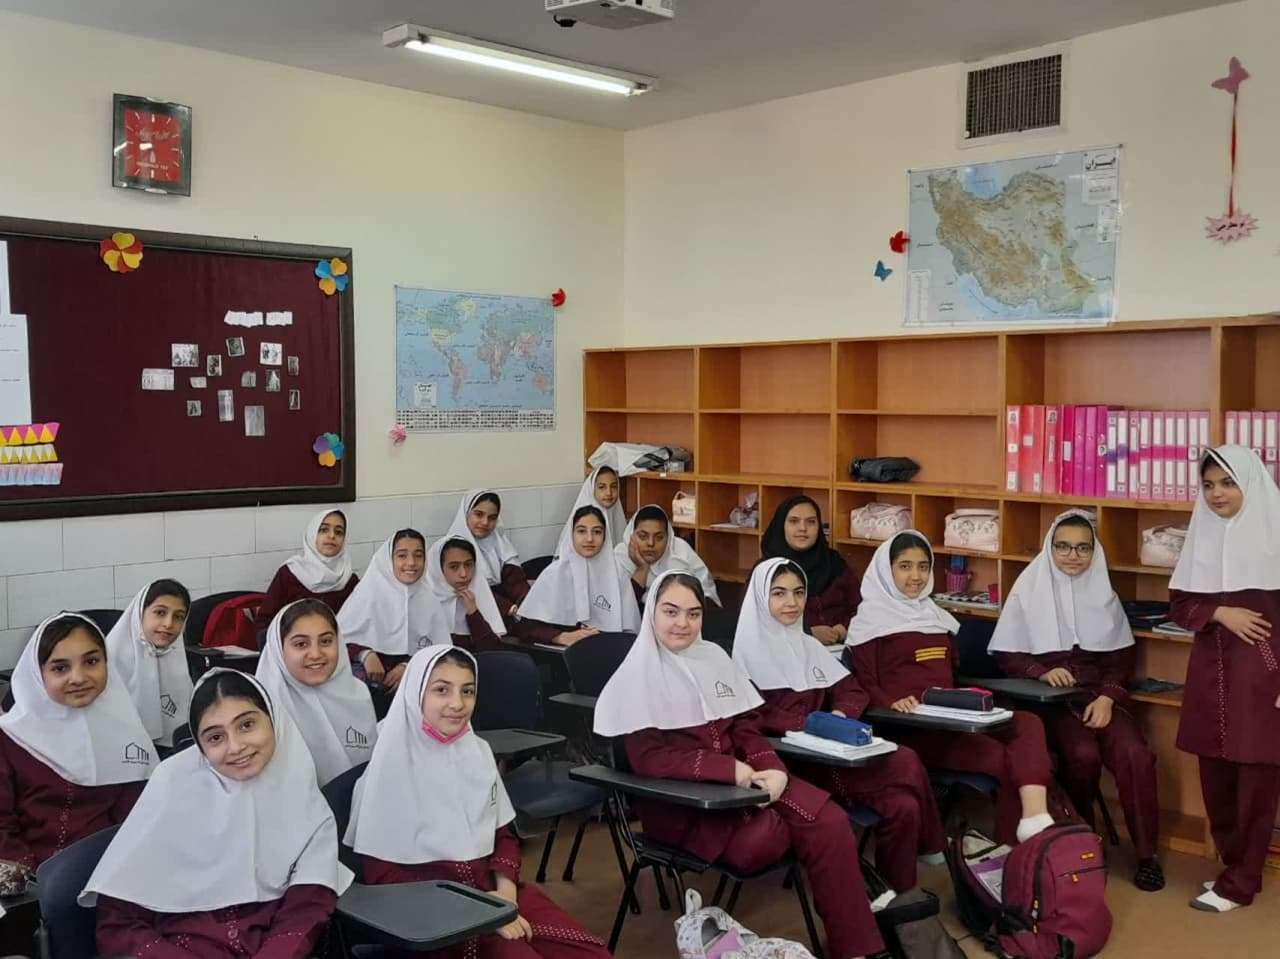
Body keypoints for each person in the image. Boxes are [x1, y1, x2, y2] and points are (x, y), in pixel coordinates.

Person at [594, 570, 884, 959]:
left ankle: (856, 948)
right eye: (671, 611)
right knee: (768, 838)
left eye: (694, 613)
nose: (683, 623)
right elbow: (651, 759)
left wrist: (772, 767)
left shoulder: (713, 657)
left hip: (745, 783)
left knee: (830, 821)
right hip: (683, 803)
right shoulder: (635, 676)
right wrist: (728, 770)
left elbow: (744, 725)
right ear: (651, 613)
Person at [346, 645, 611, 958]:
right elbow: (386, 880)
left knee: (590, 953)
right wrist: (480, 914)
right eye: (442, 690)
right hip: (437, 919)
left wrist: (506, 895)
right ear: (415, 694)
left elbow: (503, 836)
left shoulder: (477, 752)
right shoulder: (387, 770)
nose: (457, 704)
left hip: (495, 893)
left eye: (467, 691)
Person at [83, 669, 352, 958]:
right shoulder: (173, 788)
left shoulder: (305, 804)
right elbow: (118, 923)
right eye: (215, 737)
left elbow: (305, 911)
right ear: (200, 747)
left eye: (247, 725)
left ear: (275, 720)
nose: (235, 747)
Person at [734, 557, 945, 898]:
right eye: (779, 593)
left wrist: (840, 716)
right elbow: (756, 717)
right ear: (760, 598)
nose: (791, 602)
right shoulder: (742, 656)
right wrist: (809, 724)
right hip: (791, 767)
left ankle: (898, 893)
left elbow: (853, 690)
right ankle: (933, 845)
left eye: (798, 592)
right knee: (905, 762)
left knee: (904, 801)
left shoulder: (809, 646)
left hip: (833, 755)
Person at [989, 509, 1163, 890]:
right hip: (1052, 701)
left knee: (1135, 754)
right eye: (1063, 546)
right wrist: (1041, 671)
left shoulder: (1105, 596)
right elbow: (1007, 654)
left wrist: (1107, 699)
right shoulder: (1028, 589)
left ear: (1094, 552)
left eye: (1083, 548)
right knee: (1081, 755)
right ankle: (1085, 840)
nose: (1073, 555)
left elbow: (1121, 662)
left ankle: (1147, 855)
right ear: (1050, 548)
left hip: (1100, 697)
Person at [849, 532, 1056, 845]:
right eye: (905, 566)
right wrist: (890, 702)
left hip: (952, 717)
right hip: (912, 728)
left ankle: (1035, 819)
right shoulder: (868, 622)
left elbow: (950, 675)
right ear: (885, 571)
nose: (916, 576)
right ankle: (1019, 849)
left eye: (923, 566)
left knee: (1028, 722)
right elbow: (863, 684)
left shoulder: (935, 616)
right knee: (1007, 761)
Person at [1169, 445, 1280, 913]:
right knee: (1215, 777)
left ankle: (1241, 883)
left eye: (1228, 483)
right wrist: (1219, 611)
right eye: (1209, 484)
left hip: (1263, 679)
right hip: (1210, 676)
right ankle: (1234, 869)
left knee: (1256, 781)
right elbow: (1179, 606)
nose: (1217, 494)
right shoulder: (1202, 536)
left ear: (1250, 484)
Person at [0, 613, 153, 871]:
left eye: (91, 661)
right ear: (38, 674)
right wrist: (35, 880)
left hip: (111, 872)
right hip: (32, 880)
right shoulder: (10, 739)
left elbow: (137, 817)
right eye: (60, 668)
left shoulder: (127, 730)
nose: (79, 678)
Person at [255, 599, 378, 785]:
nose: (315, 654)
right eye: (301, 644)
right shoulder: (262, 710)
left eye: (326, 641)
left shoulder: (358, 693)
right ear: (278, 650)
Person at [338, 529, 452, 698]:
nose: (411, 562)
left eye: (418, 555)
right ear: (389, 560)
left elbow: (440, 650)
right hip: (368, 681)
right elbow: (338, 640)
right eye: (402, 555)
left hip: (414, 679)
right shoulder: (367, 595)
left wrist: (408, 666)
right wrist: (366, 655)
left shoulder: (429, 600)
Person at [515, 505, 640, 647]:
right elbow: (525, 628)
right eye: (581, 531)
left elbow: (631, 629)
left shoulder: (618, 574)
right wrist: (560, 637)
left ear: (605, 536)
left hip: (610, 651)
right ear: (571, 534)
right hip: (563, 655)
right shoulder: (554, 573)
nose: (589, 539)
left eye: (597, 532)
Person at [103, 579, 194, 750]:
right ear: (140, 613)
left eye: (179, 617)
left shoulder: (177, 655)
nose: (168, 623)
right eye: (160, 612)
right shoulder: (109, 661)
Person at [762, 495, 860, 645]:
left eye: (811, 522)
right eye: (794, 521)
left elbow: (862, 608)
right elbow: (758, 622)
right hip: (789, 651)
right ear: (781, 526)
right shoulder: (767, 571)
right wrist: (808, 633)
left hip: (842, 647)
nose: (803, 528)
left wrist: (845, 629)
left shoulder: (834, 563)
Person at [259, 509, 358, 622]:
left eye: (339, 532)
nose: (332, 536)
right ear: (312, 534)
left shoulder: (350, 580)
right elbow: (264, 620)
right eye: (323, 530)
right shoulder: (289, 573)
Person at [449, 489, 531, 621]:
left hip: (510, 612)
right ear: (466, 514)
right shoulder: (452, 549)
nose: (485, 522)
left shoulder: (500, 544)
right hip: (473, 614)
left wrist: (527, 605)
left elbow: (516, 581)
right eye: (479, 514)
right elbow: (468, 589)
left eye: (492, 517)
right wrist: (509, 608)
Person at [615, 504, 720, 606]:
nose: (651, 543)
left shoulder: (681, 552)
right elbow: (619, 607)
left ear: (668, 538)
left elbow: (708, 598)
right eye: (643, 536)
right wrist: (642, 569)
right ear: (631, 536)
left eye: (659, 537)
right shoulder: (621, 556)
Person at [424, 536, 508, 650]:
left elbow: (492, 651)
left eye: (468, 565)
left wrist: (473, 613)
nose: (463, 574)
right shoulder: (425, 601)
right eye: (454, 567)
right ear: (438, 569)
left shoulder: (479, 594)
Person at [570, 466, 626, 546]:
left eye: (613, 487)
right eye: (601, 487)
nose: (609, 493)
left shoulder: (619, 518)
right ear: (592, 489)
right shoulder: (581, 520)